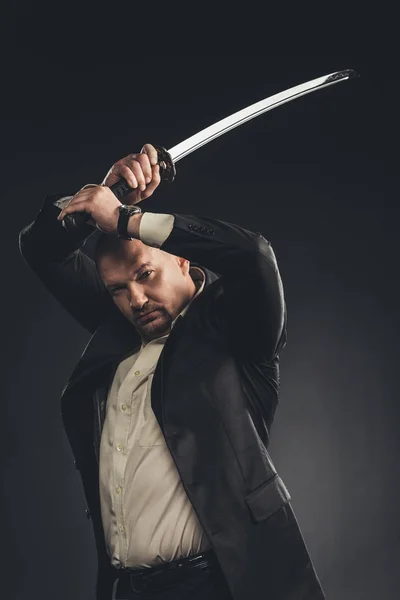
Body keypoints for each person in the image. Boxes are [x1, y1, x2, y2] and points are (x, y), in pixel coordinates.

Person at [19, 144, 326, 600]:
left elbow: (254, 256)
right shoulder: (120, 331)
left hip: (219, 586)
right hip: (130, 589)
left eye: (146, 275)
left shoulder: (235, 333)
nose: (136, 300)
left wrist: (126, 220)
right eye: (119, 290)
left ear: (181, 258)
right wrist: (100, 201)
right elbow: (41, 249)